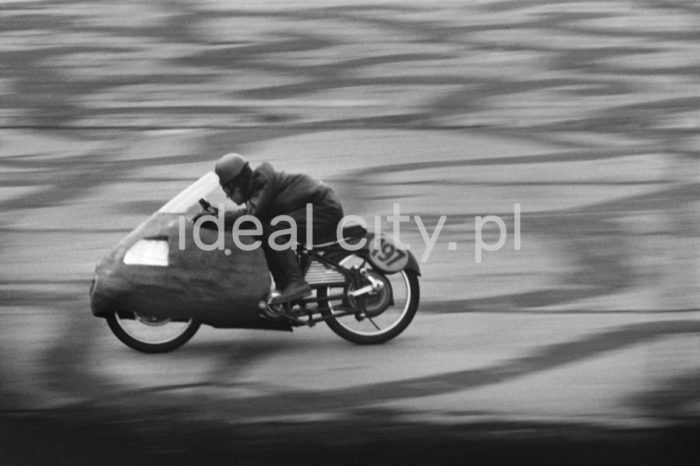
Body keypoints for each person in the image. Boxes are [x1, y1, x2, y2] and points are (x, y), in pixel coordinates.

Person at [214, 153, 344, 304]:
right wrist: (221, 217)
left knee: (274, 231)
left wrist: (220, 219)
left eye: (228, 192)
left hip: (325, 210)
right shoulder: (258, 188)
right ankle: (284, 287)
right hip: (315, 209)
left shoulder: (263, 187)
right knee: (266, 231)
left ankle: (296, 283)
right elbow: (251, 215)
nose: (229, 198)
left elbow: (252, 216)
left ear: (237, 185)